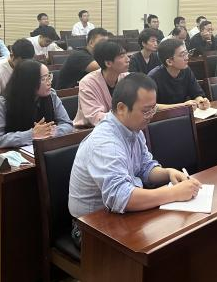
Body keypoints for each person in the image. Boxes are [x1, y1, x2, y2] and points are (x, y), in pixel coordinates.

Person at [68, 73, 201, 249]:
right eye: (146, 111)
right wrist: (174, 193)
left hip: (121, 215)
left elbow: (144, 167)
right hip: (91, 227)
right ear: (122, 108)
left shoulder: (133, 129)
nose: (151, 115)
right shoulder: (105, 142)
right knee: (166, 245)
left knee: (181, 234)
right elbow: (121, 197)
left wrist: (168, 173)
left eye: (153, 109)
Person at [0, 60, 73, 148]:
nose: (49, 82)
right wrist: (31, 135)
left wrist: (52, 131)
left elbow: (68, 124)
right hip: (17, 153)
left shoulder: (52, 95)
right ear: (29, 82)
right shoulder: (4, 102)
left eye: (49, 77)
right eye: (43, 79)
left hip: (46, 149)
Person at [74, 41, 129, 127]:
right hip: (89, 129)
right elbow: (95, 117)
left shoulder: (127, 77)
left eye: (126, 55)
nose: (128, 59)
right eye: (122, 56)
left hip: (121, 125)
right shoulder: (87, 83)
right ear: (108, 63)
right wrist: (129, 115)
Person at [148, 39, 210, 110]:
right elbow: (151, 106)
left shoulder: (186, 70)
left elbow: (196, 94)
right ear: (169, 62)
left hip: (184, 114)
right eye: (182, 55)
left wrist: (201, 101)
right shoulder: (153, 77)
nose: (187, 58)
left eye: (186, 53)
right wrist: (182, 106)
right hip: (164, 116)